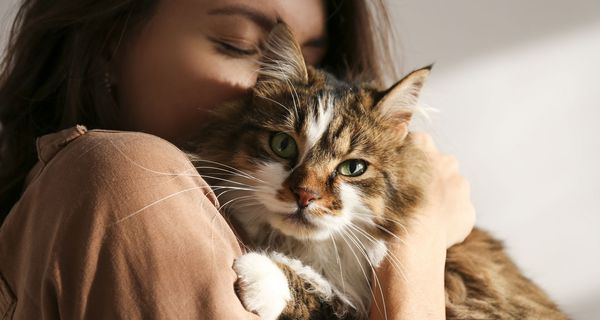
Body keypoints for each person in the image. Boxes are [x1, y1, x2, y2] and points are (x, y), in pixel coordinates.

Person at [0, 0, 476, 318]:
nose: (275, 89)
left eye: (315, 59)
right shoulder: (127, 174)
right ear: (107, 43)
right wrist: (419, 242)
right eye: (242, 45)